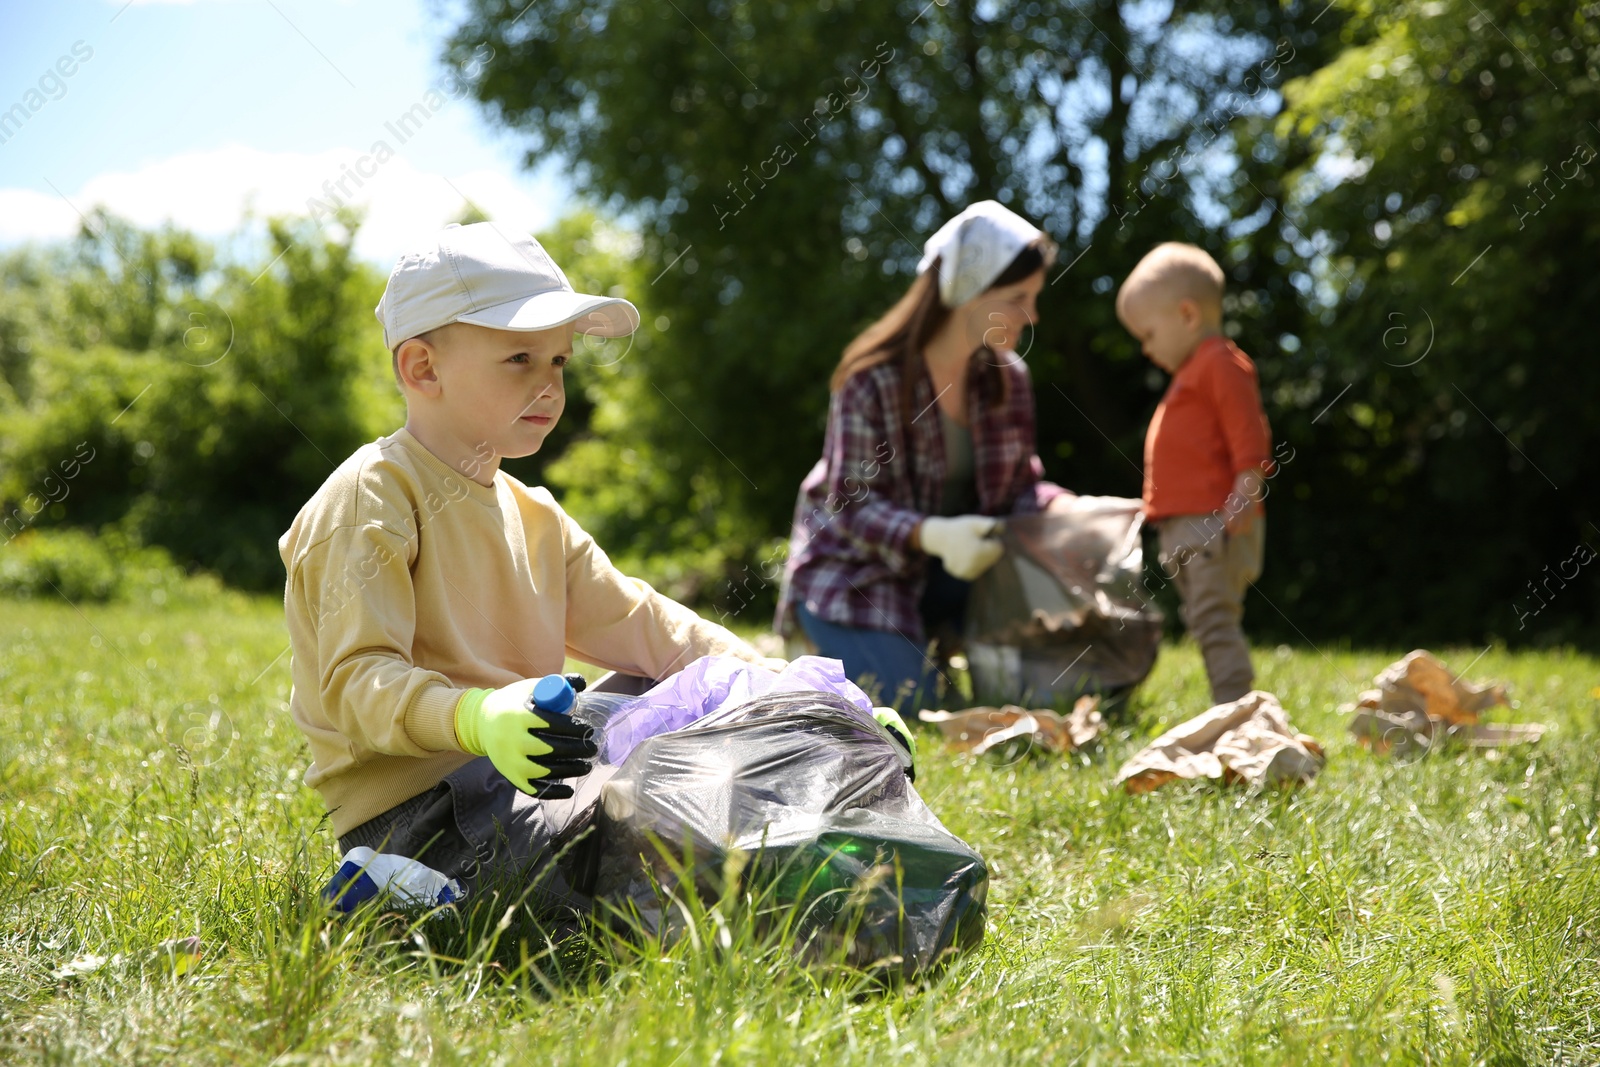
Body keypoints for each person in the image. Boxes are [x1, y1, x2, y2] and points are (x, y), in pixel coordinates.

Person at [278, 221, 781, 911]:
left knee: (682, 693)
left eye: (560, 362)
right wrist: (480, 717)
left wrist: (796, 694)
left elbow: (648, 625)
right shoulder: (374, 493)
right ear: (422, 368)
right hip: (423, 813)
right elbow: (356, 682)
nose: (549, 385)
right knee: (667, 860)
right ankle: (396, 888)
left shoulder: (536, 513)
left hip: (534, 775)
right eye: (519, 358)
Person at [776, 201, 1070, 710]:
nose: (1034, 315)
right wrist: (931, 534)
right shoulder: (871, 380)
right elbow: (850, 508)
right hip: (859, 574)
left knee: (1039, 683)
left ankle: (942, 640)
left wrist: (1072, 510)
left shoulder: (1009, 380)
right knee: (914, 702)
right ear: (968, 292)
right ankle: (817, 641)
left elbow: (1023, 487)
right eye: (1019, 297)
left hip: (957, 577)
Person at [1116, 242, 1273, 705]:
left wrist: (1246, 485)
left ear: (1187, 315)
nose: (1146, 349)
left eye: (1147, 335)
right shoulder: (1193, 372)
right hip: (1188, 529)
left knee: (1213, 619)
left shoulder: (1219, 364)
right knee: (1204, 619)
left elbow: (1247, 430)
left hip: (1214, 525)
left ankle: (1236, 710)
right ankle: (1231, 705)